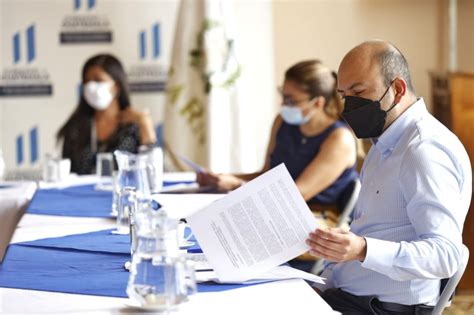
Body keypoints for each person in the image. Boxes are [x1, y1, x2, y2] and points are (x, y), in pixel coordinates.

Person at [306, 40, 472, 314]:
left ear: (397, 89)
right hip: (347, 296)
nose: (349, 106)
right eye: (345, 95)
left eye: (358, 91)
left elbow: (445, 256)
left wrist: (362, 249)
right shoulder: (383, 144)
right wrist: (322, 284)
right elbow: (370, 231)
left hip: (382, 308)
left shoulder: (423, 150)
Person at [197, 60, 358, 215]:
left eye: (291, 100)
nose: (283, 105)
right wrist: (221, 178)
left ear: (318, 103)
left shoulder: (339, 139)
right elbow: (266, 175)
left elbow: (298, 195)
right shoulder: (281, 122)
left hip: (318, 217)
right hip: (275, 211)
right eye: (283, 96)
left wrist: (236, 185)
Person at [57, 54, 157, 174]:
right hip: (84, 192)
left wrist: (145, 123)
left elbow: (152, 172)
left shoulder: (133, 127)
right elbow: (66, 175)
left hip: (124, 191)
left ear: (116, 86)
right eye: (87, 81)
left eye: (98, 80)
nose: (91, 87)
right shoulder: (76, 127)